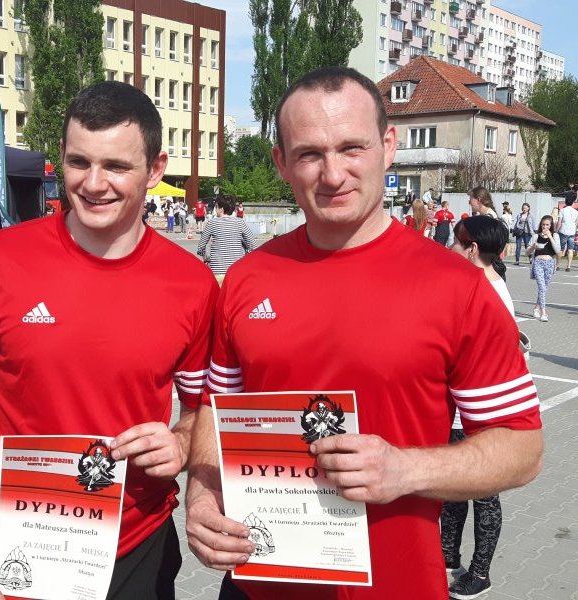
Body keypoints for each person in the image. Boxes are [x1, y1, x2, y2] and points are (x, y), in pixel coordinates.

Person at [185, 67, 542, 600]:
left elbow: (523, 448)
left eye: (352, 148)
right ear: (282, 162)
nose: (333, 174)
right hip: (259, 583)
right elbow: (217, 410)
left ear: (388, 146)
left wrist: (406, 469)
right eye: (310, 153)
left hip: (396, 585)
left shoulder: (458, 287)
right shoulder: (246, 279)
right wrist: (201, 495)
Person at [0, 81, 219, 600]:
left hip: (135, 546)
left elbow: (201, 408)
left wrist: (182, 444)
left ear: (155, 169)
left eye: (116, 166)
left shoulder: (192, 284)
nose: (94, 184)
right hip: (18, 549)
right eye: (79, 162)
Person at [441, 215, 514, 599]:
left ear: (472, 249)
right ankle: (447, 560)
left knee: (484, 495)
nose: (449, 247)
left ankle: (480, 573)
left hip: (482, 416)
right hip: (457, 413)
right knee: (453, 490)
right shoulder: (469, 284)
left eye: (456, 241)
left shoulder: (490, 292)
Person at [196, 195, 256, 279]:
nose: (215, 209)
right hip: (237, 271)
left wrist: (205, 257)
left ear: (222, 209)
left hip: (217, 270)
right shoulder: (240, 222)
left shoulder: (212, 223)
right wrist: (244, 254)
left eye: (216, 207)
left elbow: (201, 247)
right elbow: (253, 245)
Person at [526, 215, 561, 322]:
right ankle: (544, 312)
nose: (545, 227)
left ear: (551, 226)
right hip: (538, 263)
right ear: (540, 225)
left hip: (550, 263)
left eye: (547, 225)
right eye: (543, 225)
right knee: (541, 287)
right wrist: (533, 247)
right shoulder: (535, 236)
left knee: (544, 288)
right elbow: (527, 252)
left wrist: (550, 237)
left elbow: (558, 251)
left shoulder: (555, 235)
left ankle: (536, 308)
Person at [555, 192, 577, 271]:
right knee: (570, 249)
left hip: (563, 231)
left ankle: (557, 265)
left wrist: (556, 231)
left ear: (566, 201)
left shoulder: (562, 210)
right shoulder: (576, 212)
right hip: (572, 231)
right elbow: (576, 223)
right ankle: (569, 266)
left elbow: (559, 222)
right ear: (573, 202)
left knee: (561, 249)